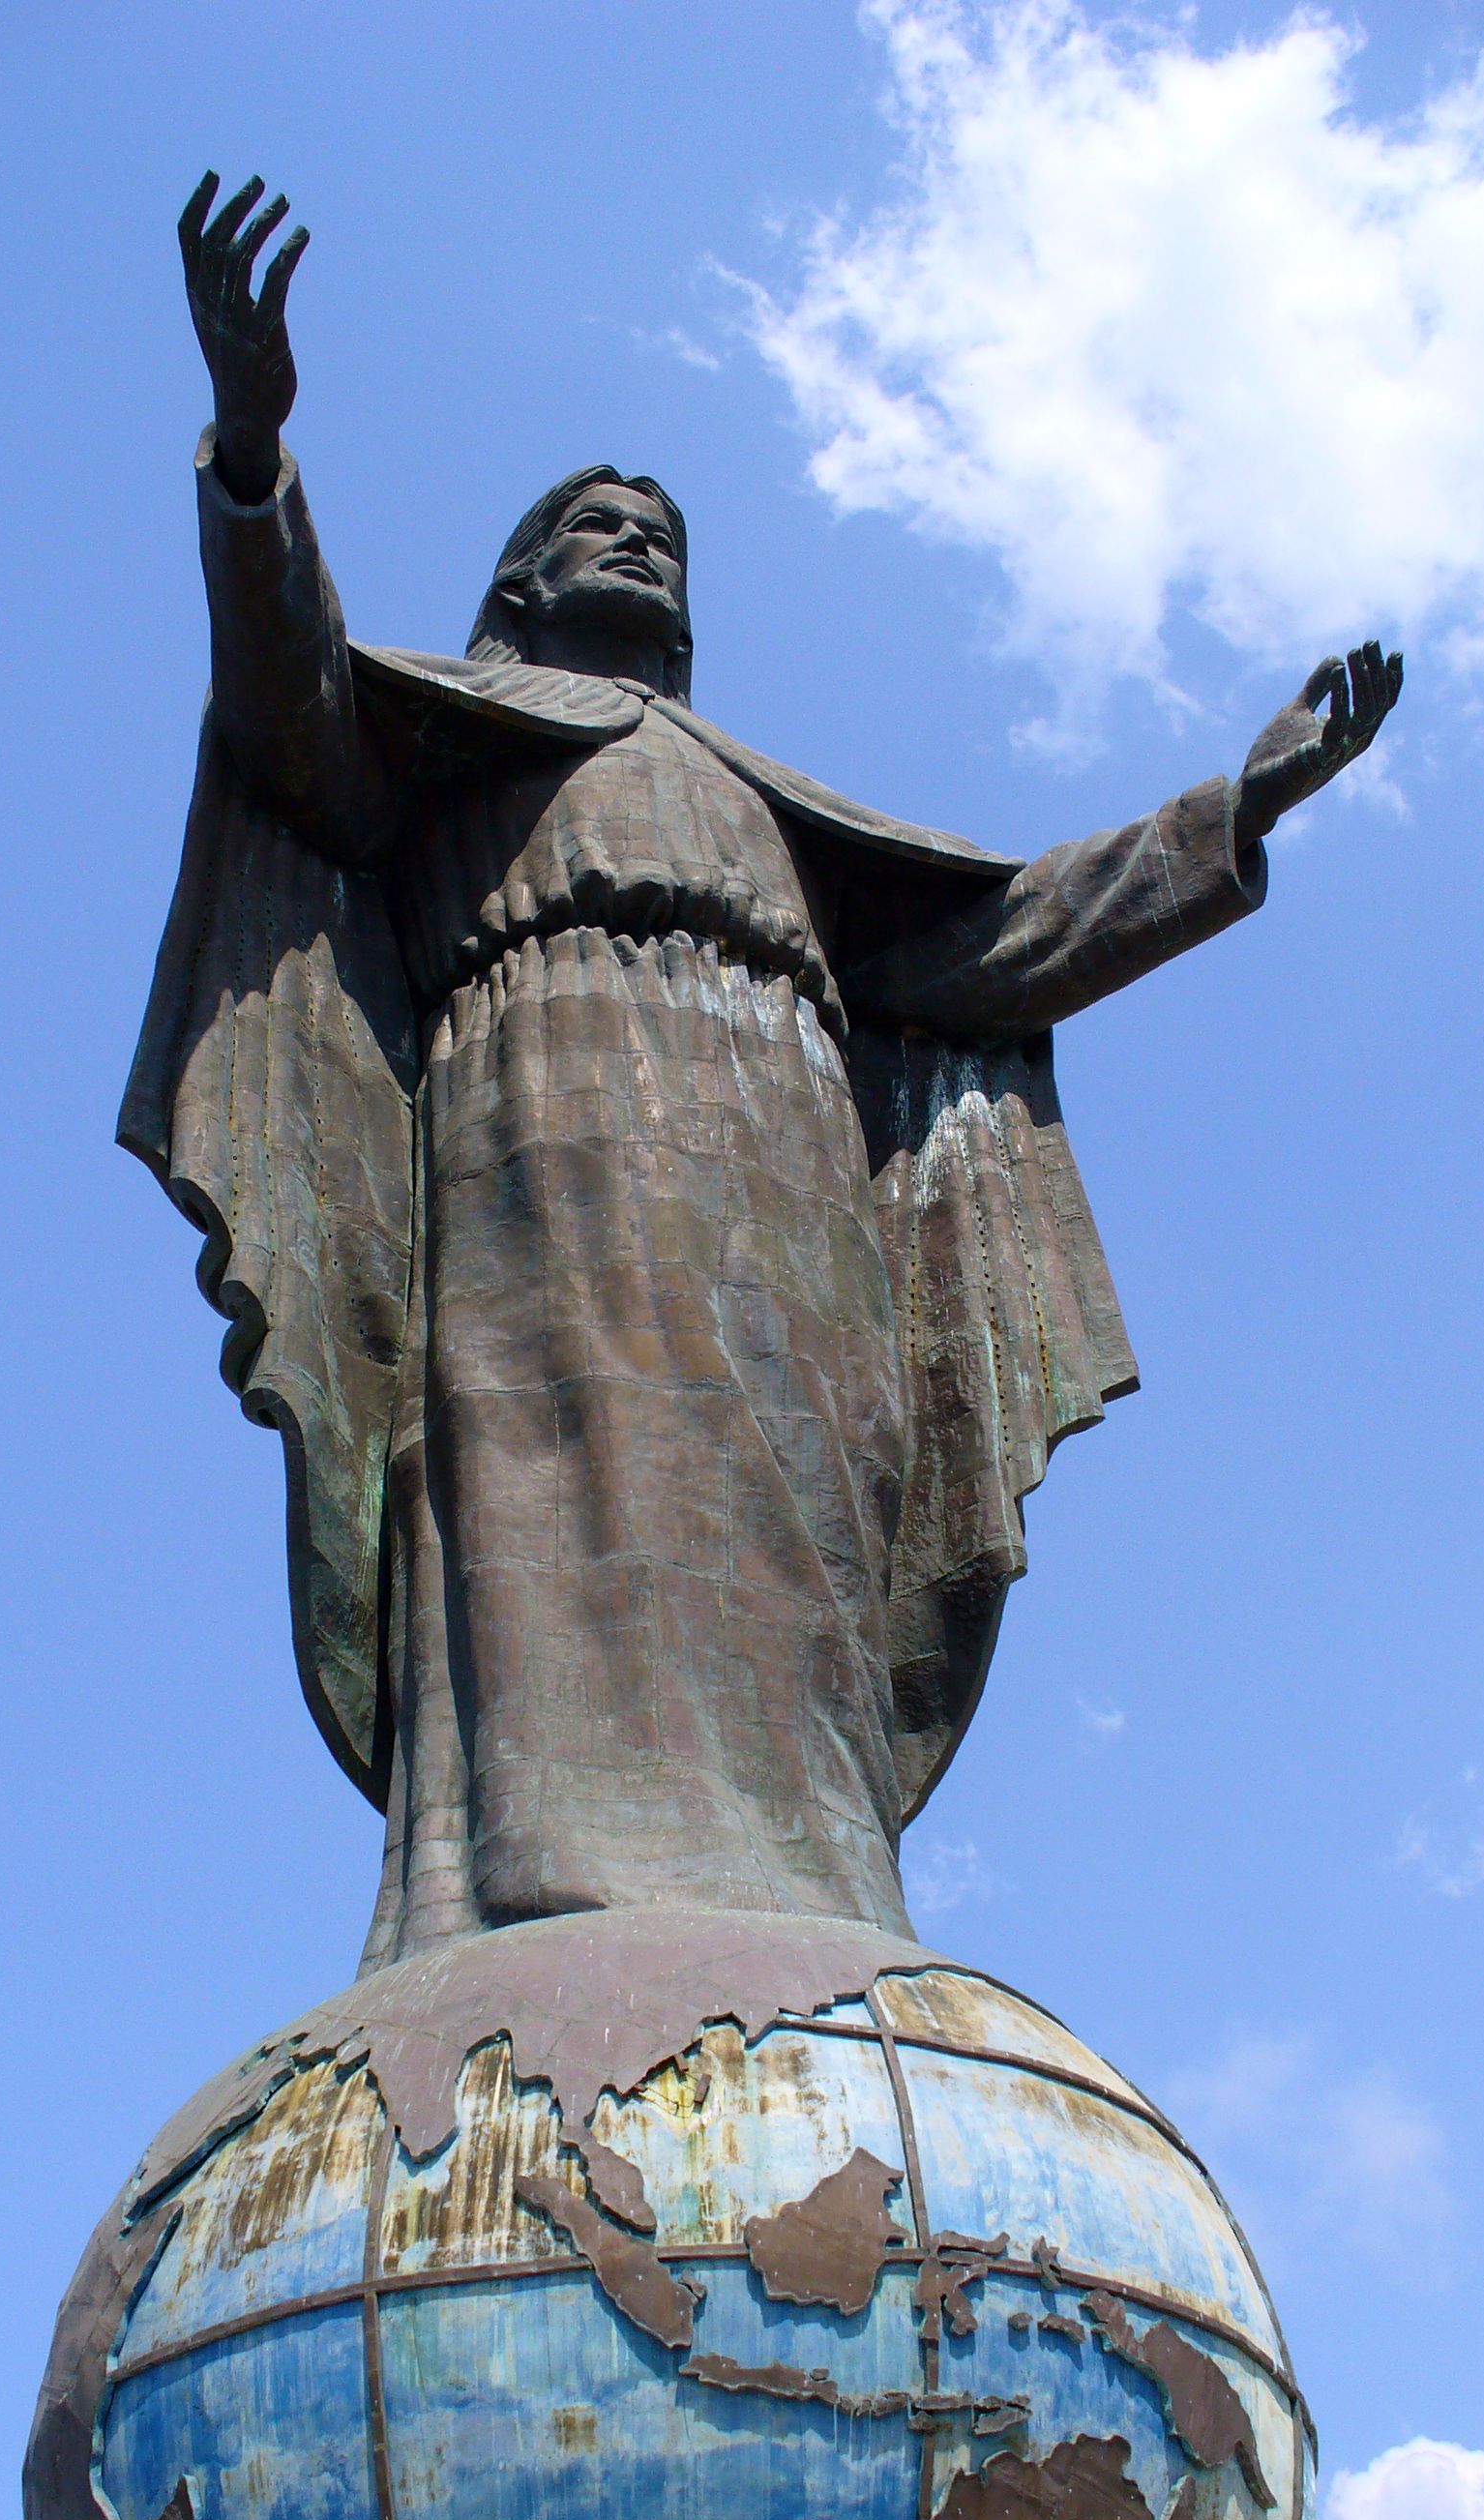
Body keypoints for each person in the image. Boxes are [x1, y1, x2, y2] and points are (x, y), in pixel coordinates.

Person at [123, 174, 1402, 1970]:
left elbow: (1001, 943)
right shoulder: (450, 731)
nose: (639, 540)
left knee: (806, 1514)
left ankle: (808, 1906)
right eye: (594, 521)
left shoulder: (767, 797)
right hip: (538, 1153)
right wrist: (253, 453)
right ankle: (541, 1890)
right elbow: (288, 716)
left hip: (788, 1181)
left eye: (663, 532)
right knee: (553, 1481)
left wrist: (1230, 813)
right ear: (519, 580)